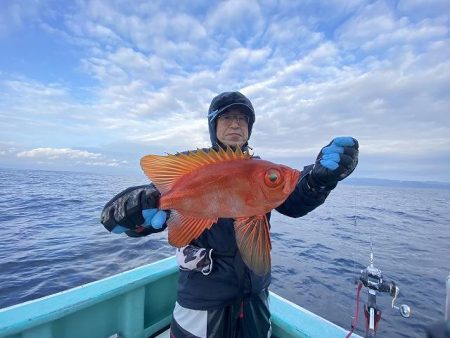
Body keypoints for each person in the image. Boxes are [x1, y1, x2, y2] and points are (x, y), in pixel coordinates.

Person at [100, 91, 359, 338]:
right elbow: (150, 202)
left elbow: (294, 200)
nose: (236, 124)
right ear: (213, 125)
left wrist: (317, 181)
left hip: (255, 299)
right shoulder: (194, 166)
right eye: (227, 117)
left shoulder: (261, 169)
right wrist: (134, 210)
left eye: (242, 118)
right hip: (202, 301)